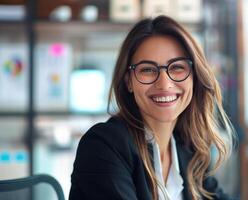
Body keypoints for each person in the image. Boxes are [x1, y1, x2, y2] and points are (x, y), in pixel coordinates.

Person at [69, 15, 236, 200]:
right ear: (128, 82)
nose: (164, 84)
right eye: (147, 69)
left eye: (177, 67)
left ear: (194, 77)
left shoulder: (188, 150)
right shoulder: (104, 145)